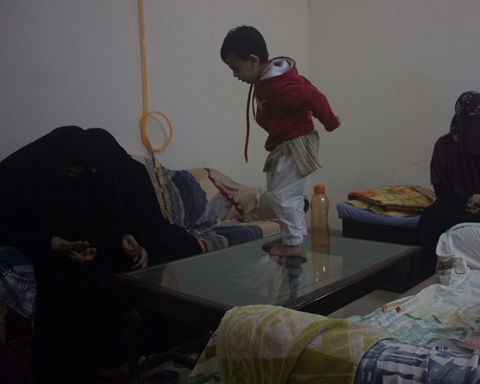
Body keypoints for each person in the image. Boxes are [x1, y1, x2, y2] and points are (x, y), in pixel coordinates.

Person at [0, 126, 147, 383]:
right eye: (67, 171)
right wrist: (51, 242)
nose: (71, 178)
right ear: (52, 161)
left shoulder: (78, 177)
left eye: (77, 174)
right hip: (36, 248)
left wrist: (88, 248)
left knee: (118, 264)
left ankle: (120, 357)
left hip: (70, 248)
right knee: (70, 281)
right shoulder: (13, 175)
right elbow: (6, 230)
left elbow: (89, 217)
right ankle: (85, 368)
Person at [220, 25, 341, 257]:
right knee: (282, 190)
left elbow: (312, 95)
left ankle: (292, 244)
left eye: (236, 68)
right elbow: (305, 84)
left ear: (253, 61)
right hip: (286, 141)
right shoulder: (270, 79)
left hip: (294, 141)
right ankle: (290, 237)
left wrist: (330, 121)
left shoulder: (275, 86)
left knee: (281, 194)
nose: (235, 75)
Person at [414, 91, 480, 276]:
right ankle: (424, 276)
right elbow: (440, 186)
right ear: (462, 112)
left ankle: (479, 277)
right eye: (476, 111)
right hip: (454, 202)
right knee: (431, 216)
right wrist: (464, 204)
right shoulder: (444, 145)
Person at [86, 128, 203, 264]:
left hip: (150, 231)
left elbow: (151, 218)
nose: (94, 172)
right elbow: (99, 222)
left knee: (188, 244)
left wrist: (142, 243)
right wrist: (123, 237)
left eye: (98, 167)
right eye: (91, 168)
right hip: (114, 237)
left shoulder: (134, 172)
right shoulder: (85, 179)